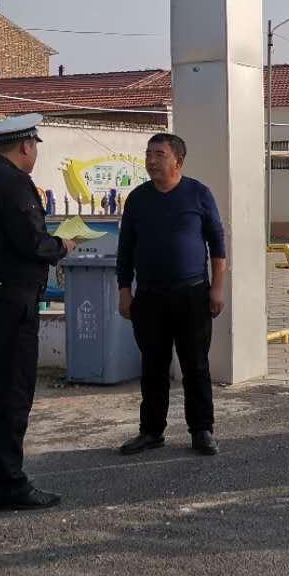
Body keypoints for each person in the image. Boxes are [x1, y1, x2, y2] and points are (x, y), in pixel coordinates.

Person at [0, 114, 75, 511]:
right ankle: (10, 485)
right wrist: (62, 245)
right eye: (34, 146)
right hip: (8, 306)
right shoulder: (14, 184)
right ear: (25, 146)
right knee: (11, 395)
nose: (35, 152)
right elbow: (32, 241)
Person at [116, 132, 228, 456]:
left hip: (192, 295)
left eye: (159, 155)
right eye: (148, 154)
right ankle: (151, 431)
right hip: (149, 298)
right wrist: (125, 291)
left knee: (196, 366)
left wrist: (217, 287)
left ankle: (201, 430)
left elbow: (217, 244)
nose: (151, 161)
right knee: (153, 367)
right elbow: (126, 250)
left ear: (178, 161)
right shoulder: (137, 199)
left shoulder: (198, 194)